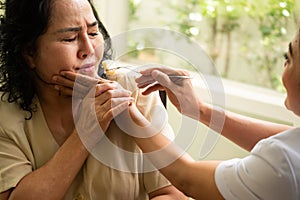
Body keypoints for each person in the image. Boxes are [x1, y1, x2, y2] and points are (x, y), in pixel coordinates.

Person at [0, 0, 187, 199]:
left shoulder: (135, 90)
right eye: (70, 38)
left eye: (93, 33)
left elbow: (173, 193)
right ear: (29, 52)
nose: (89, 49)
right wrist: (86, 132)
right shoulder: (5, 116)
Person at [130, 30, 300, 199]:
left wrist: (130, 117)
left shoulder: (281, 164)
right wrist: (199, 109)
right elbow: (289, 139)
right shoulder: (287, 154)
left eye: (289, 58)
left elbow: (186, 180)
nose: (284, 65)